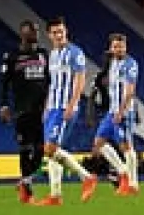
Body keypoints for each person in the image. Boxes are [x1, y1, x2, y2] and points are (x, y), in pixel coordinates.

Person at [39, 17, 99, 205]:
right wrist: (47, 107)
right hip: (53, 108)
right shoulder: (53, 55)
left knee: (50, 149)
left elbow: (81, 81)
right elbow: (53, 84)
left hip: (65, 107)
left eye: (61, 31)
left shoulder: (75, 53)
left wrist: (72, 105)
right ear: (49, 35)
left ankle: (87, 177)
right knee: (53, 151)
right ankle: (55, 195)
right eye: (55, 32)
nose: (59, 35)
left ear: (66, 32)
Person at [0, 20, 49, 204]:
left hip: (41, 109)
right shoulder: (12, 56)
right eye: (32, 31)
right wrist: (4, 105)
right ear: (23, 33)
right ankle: (27, 191)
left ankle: (25, 181)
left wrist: (49, 104)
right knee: (25, 148)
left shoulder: (43, 54)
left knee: (41, 148)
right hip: (22, 108)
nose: (36, 34)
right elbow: (4, 83)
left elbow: (49, 82)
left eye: (36, 31)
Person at [91, 34, 140, 197]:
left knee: (126, 147)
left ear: (126, 47)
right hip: (111, 111)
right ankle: (123, 170)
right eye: (116, 46)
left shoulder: (130, 64)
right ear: (111, 48)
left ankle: (133, 183)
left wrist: (121, 111)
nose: (119, 49)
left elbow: (130, 90)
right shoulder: (111, 62)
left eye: (122, 46)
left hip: (124, 112)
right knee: (98, 144)